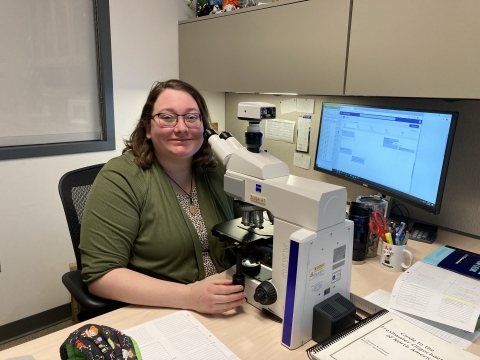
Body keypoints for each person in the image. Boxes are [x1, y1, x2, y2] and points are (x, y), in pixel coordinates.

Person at [79, 79, 246, 314]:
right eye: (167, 117)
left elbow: (247, 231)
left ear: (204, 127)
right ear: (148, 128)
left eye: (191, 117)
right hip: (160, 308)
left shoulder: (217, 170)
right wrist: (189, 297)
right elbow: (101, 275)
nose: (181, 128)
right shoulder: (121, 178)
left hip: (228, 301)